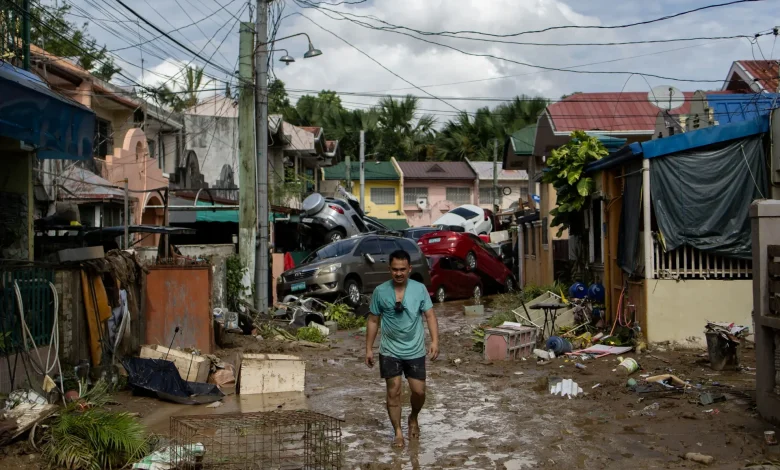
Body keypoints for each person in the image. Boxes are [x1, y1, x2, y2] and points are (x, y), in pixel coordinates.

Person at [365, 249, 440, 449]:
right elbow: (373, 320)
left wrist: (434, 341)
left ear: (409, 269)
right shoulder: (380, 291)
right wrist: (369, 348)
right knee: (394, 391)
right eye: (395, 269)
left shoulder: (419, 289)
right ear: (389, 269)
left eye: (402, 269)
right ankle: (398, 432)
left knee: (419, 392)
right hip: (389, 350)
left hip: (415, 350)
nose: (399, 273)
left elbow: (430, 316)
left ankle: (413, 417)